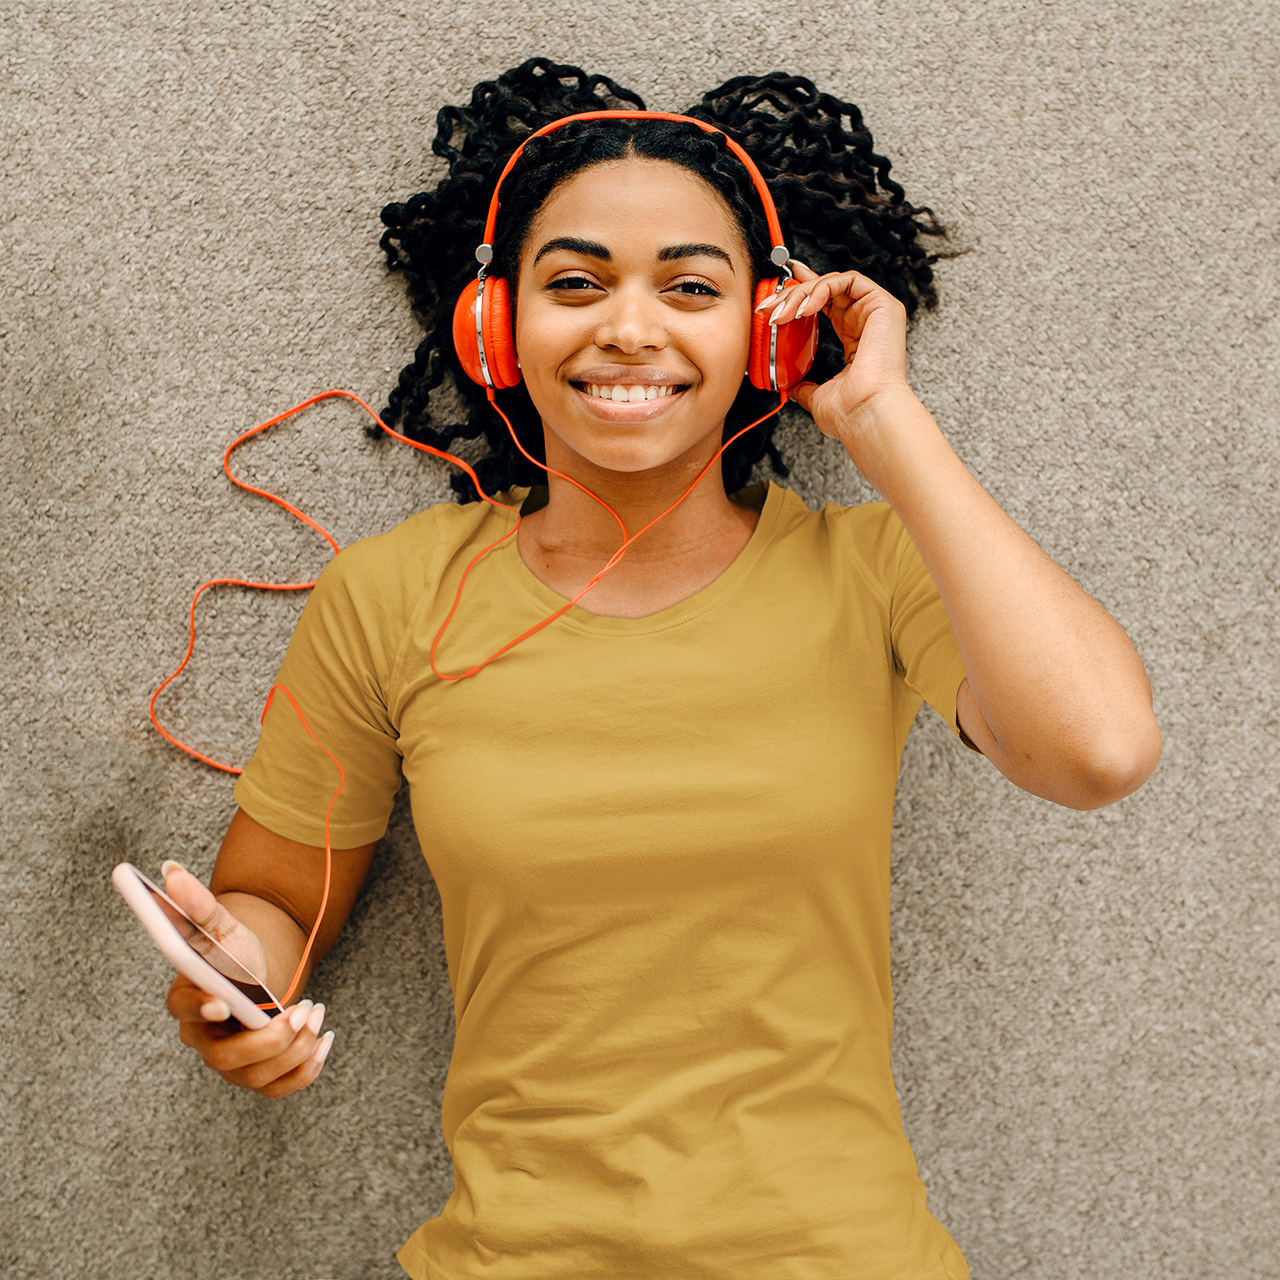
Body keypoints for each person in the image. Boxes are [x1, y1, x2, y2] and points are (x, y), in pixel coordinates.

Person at [160, 58, 1162, 1280]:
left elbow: (1098, 751)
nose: (628, 326)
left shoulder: (874, 569)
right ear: (491, 324)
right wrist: (226, 986)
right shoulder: (390, 595)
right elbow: (272, 907)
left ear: (766, 336)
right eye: (573, 283)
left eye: (690, 288)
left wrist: (883, 418)